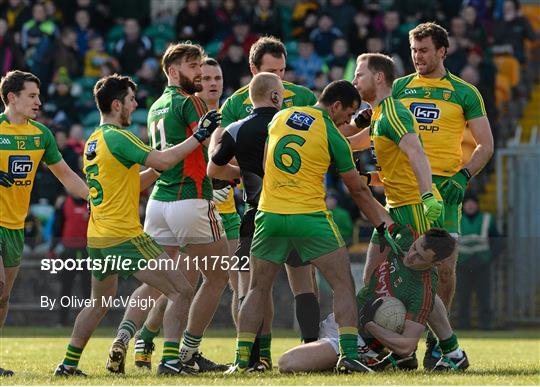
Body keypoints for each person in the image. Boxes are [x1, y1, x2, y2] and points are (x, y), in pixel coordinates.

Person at [226, 79, 399, 374]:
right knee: (343, 283)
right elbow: (357, 190)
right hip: (309, 216)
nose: (349, 120)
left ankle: (241, 361)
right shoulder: (333, 134)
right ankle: (348, 355)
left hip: (268, 216)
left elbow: (268, 161)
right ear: (335, 106)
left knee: (257, 288)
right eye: (349, 112)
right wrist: (384, 224)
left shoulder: (281, 117)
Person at [53, 73, 221, 377]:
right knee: (182, 290)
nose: (135, 104)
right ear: (117, 105)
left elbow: (132, 182)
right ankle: (170, 360)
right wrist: (197, 137)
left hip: (98, 239)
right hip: (124, 236)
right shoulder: (120, 136)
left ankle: (67, 365)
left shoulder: (95, 140)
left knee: (98, 303)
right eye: (131, 100)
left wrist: (160, 170)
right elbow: (162, 160)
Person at [348, 22, 494, 368]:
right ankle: (395, 345)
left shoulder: (464, 92)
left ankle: (436, 347)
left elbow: (486, 145)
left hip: (441, 191)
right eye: (414, 50)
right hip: (399, 193)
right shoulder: (396, 88)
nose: (418, 57)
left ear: (443, 51)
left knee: (442, 272)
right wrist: (357, 123)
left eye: (424, 50)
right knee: (377, 272)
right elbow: (376, 134)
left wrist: (464, 175)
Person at [113, 43, 229, 374]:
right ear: (174, 71)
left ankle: (123, 337)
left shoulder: (156, 106)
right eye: (193, 66)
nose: (200, 72)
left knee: (157, 282)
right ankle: (182, 354)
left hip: (158, 203)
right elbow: (209, 146)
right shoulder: (190, 101)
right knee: (218, 275)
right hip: (190, 200)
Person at [219, 36, 321, 363]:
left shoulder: (303, 96)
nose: (281, 80)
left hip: (290, 205)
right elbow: (217, 157)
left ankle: (308, 351)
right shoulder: (235, 104)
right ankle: (255, 356)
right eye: (272, 71)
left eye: (283, 70)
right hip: (263, 206)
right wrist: (250, 170)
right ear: (253, 69)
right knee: (251, 287)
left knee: (300, 283)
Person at [279, 227, 469, 373]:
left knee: (288, 362)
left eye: (420, 257)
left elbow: (407, 345)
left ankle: (363, 359)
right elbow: (377, 213)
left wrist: (371, 325)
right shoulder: (405, 236)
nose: (411, 256)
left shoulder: (421, 292)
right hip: (341, 321)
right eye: (414, 248)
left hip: (360, 340)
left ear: (435, 263)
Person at [0, 70, 88, 377]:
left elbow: (65, 175)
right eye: (32, 96)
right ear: (12, 98)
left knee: (3, 297)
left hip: (14, 225)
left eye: (39, 95)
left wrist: (94, 199)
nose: (39, 101)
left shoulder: (42, 135)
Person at [208, 72, 286, 370]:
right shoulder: (290, 122)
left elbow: (212, 171)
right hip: (300, 212)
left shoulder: (236, 128)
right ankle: (327, 347)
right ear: (276, 97)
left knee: (251, 288)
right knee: (313, 285)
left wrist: (240, 175)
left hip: (256, 217)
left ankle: (253, 357)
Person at [350, 53, 443, 291]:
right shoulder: (377, 116)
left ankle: (440, 331)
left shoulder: (393, 113)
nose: (354, 81)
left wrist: (426, 197)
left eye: (359, 75)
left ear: (379, 77)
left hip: (414, 206)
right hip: (393, 207)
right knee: (370, 276)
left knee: (418, 284)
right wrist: (368, 178)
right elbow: (390, 167)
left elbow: (417, 154)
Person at [197, 58, 243, 328]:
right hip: (195, 211)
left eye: (217, 78)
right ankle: (145, 342)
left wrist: (232, 177)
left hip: (227, 213)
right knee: (181, 284)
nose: (213, 83)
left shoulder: (232, 116)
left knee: (241, 284)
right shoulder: (190, 114)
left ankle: (243, 353)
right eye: (206, 78)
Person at [456, 194, 498, 330]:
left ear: (477, 204)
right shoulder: (456, 219)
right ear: (463, 205)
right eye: (467, 203)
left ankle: (485, 325)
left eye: (473, 202)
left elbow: (498, 241)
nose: (470, 205)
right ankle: (463, 325)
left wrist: (489, 258)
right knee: (462, 296)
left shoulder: (487, 219)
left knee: (484, 296)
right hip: (462, 264)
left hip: (482, 264)